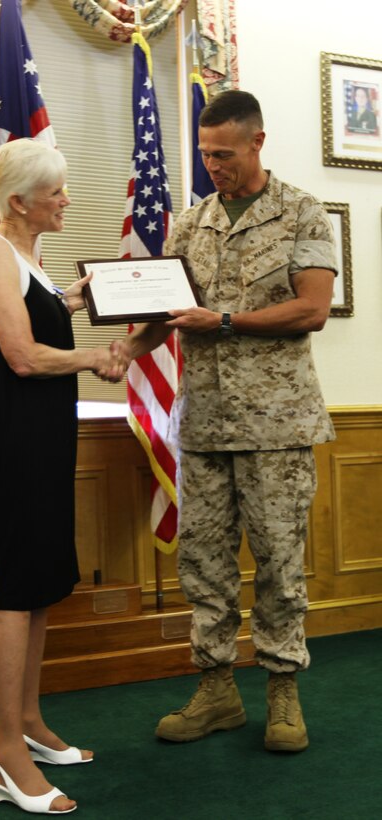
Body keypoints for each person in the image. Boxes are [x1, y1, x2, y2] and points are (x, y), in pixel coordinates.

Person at [114, 90, 337, 753]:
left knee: (279, 566)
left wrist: (228, 321)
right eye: (207, 154)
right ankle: (216, 691)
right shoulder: (189, 223)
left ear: (257, 143)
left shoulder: (302, 211)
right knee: (204, 564)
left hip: (277, 424)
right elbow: (166, 310)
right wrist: (125, 350)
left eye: (225, 153)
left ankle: (282, 693)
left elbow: (312, 309)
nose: (215, 165)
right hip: (205, 424)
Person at [0, 138, 126, 814]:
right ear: (19, 202)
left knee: (39, 587)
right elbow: (23, 358)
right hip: (16, 441)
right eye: (56, 192)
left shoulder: (28, 255)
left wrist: (74, 297)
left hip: (47, 437)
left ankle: (30, 724)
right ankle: (5, 755)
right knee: (14, 592)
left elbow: (38, 316)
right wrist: (92, 356)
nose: (66, 200)